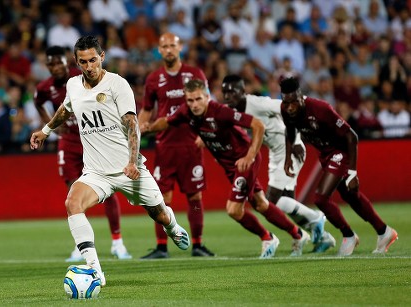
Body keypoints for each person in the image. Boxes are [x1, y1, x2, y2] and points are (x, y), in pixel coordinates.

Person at [30, 35, 191, 287]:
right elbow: (65, 109)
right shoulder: (73, 85)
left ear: (102, 57)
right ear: (76, 61)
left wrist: (132, 162)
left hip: (128, 169)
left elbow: (132, 124)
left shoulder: (117, 84)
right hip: (96, 172)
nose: (89, 66)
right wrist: (45, 131)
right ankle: (95, 271)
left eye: (93, 60)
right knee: (72, 203)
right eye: (83, 62)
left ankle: (172, 226)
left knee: (158, 214)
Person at [142, 79, 311, 258]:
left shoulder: (221, 112)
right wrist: (150, 127)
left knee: (233, 209)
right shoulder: (187, 112)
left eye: (198, 99)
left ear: (207, 97)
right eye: (190, 100)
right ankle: (298, 234)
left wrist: (250, 156)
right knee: (260, 203)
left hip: (244, 161)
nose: (194, 104)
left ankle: (267, 237)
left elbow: (258, 125)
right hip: (231, 166)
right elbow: (167, 122)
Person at [279, 76, 398, 256]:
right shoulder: (286, 110)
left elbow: (352, 137)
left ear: (301, 97)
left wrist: (352, 172)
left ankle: (348, 235)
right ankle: (384, 231)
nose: (289, 107)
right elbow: (290, 132)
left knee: (320, 198)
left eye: (293, 102)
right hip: (325, 154)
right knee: (351, 196)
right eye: (286, 103)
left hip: (340, 151)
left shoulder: (321, 109)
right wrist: (288, 158)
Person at [34, 45, 132, 261]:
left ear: (67, 62)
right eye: (50, 64)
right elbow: (38, 102)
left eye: (58, 62)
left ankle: (117, 242)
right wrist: (48, 125)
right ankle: (82, 245)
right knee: (73, 193)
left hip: (94, 139)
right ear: (47, 67)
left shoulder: (81, 78)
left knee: (108, 190)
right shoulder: (45, 87)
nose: (55, 67)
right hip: (68, 143)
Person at [221, 75, 336, 252]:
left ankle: (316, 218)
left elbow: (292, 110)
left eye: (232, 92)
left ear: (243, 91)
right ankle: (324, 238)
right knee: (287, 203)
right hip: (276, 153)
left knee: (271, 201)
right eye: (225, 93)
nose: (228, 96)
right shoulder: (230, 111)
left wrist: (296, 139)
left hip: (289, 148)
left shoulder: (258, 103)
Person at [138, 32, 214, 258]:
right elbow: (147, 110)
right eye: (164, 46)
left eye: (172, 45)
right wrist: (139, 128)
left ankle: (198, 245)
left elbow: (208, 103)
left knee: (195, 197)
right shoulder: (154, 79)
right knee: (160, 198)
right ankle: (162, 247)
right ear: (159, 50)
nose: (169, 49)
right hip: (165, 146)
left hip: (191, 144)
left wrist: (206, 132)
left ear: (180, 47)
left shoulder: (194, 74)